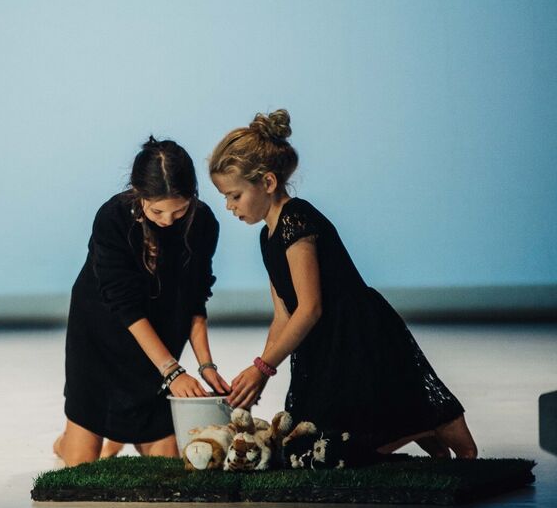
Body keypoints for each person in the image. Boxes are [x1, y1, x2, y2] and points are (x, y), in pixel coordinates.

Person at [207, 109, 477, 459]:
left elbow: (310, 307)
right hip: (323, 347)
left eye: (235, 195)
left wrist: (263, 367)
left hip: (356, 334)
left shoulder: (295, 221)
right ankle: (425, 434)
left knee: (347, 443)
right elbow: (283, 315)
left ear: (268, 183)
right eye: (225, 197)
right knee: (308, 446)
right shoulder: (267, 237)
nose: (229, 206)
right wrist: (261, 370)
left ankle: (433, 431)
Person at [53, 136, 230, 468]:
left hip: (161, 330)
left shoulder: (203, 222)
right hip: (102, 330)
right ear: (138, 194)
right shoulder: (112, 219)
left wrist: (206, 366)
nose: (167, 220)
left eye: (179, 211)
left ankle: (126, 435)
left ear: (192, 197)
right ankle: (71, 441)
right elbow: (124, 305)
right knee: (81, 464)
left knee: (166, 464)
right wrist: (172, 371)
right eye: (157, 210)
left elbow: (196, 300)